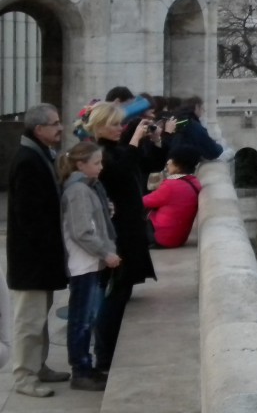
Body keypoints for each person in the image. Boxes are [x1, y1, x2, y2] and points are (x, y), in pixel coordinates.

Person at [83, 102, 157, 374]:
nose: (120, 129)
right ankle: (103, 357)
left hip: (125, 228)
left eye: (120, 124)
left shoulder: (111, 149)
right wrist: (136, 139)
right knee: (114, 292)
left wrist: (150, 141)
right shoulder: (100, 152)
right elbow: (121, 172)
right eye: (114, 124)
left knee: (119, 291)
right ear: (100, 126)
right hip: (118, 232)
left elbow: (140, 164)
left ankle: (106, 353)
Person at [6, 103, 70, 397]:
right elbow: (28, 216)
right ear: (39, 129)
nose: (60, 127)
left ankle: (39, 367)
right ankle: (23, 377)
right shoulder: (28, 160)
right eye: (55, 123)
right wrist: (49, 249)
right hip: (31, 260)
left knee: (39, 318)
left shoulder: (39, 154)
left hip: (40, 258)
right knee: (29, 322)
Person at [58, 143, 121, 391]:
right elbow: (82, 231)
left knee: (86, 317)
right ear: (80, 165)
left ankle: (86, 367)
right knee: (82, 319)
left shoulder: (85, 188)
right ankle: (81, 370)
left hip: (88, 262)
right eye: (96, 163)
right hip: (84, 263)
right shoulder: (78, 192)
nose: (101, 167)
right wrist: (106, 253)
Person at [142, 147, 202, 248]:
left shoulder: (171, 185)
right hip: (178, 238)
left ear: (179, 166)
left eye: (172, 159)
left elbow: (144, 202)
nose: (168, 162)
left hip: (162, 237)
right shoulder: (194, 182)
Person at [170, 96, 223, 161]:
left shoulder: (179, 122)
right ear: (197, 107)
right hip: (187, 165)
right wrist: (220, 147)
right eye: (202, 108)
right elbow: (213, 151)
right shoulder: (193, 125)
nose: (203, 111)